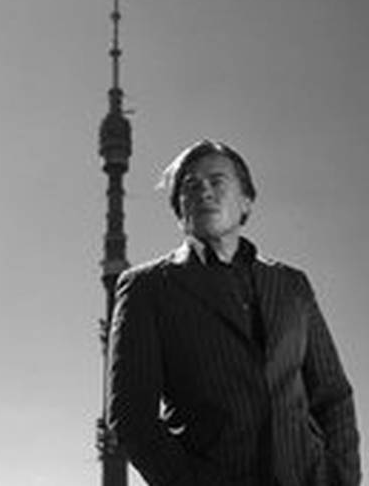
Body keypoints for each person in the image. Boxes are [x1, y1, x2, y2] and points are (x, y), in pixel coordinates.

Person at [106, 140, 361, 486]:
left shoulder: (292, 284)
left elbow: (332, 395)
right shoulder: (147, 288)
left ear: (246, 201)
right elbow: (132, 418)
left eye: (217, 181)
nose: (204, 191)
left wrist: (342, 478)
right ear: (179, 210)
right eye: (190, 186)